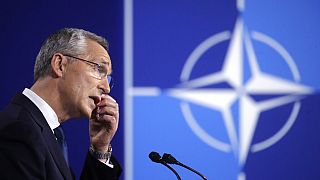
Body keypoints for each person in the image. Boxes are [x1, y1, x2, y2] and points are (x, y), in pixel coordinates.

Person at [0, 28, 122, 179]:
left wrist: (100, 149)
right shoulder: (18, 131)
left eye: (108, 77)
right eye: (98, 69)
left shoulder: (47, 134)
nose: (106, 87)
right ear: (60, 65)